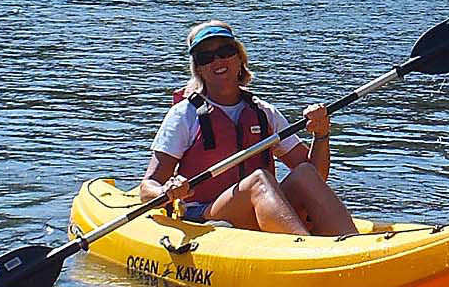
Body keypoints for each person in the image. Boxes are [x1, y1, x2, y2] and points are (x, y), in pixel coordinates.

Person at [139, 20, 358, 236]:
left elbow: (316, 176)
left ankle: (352, 245)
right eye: (206, 57)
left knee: (304, 174)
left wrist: (321, 135)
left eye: (225, 52)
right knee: (258, 180)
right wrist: (166, 191)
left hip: (258, 206)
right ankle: (306, 253)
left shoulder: (264, 112)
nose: (217, 61)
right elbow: (148, 187)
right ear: (199, 70)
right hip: (208, 214)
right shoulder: (184, 115)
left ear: (239, 58)